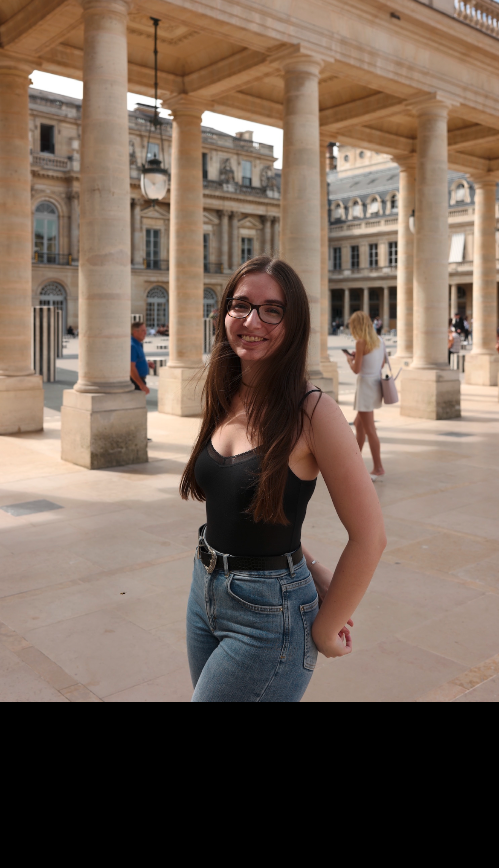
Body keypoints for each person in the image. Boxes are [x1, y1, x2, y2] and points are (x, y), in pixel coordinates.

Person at [181, 256, 386, 703]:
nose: (251, 321)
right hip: (204, 591)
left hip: (269, 618)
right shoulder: (225, 391)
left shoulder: (313, 411)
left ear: (294, 324)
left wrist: (327, 627)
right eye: (241, 305)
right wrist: (310, 565)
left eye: (272, 310)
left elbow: (370, 536)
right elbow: (248, 513)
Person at [346, 310, 386, 480]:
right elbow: (381, 363)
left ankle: (378, 468)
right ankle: (355, 464)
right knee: (359, 424)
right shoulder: (380, 340)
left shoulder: (361, 342)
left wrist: (350, 360)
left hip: (365, 387)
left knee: (370, 429)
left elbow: (356, 370)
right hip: (375, 385)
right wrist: (362, 357)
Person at [131, 321, 153, 394]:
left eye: (145, 331)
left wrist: (146, 364)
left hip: (138, 381)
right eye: (143, 331)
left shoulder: (137, 344)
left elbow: (135, 361)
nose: (145, 333)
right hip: (136, 382)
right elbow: (131, 368)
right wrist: (141, 385)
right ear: (135, 332)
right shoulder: (132, 346)